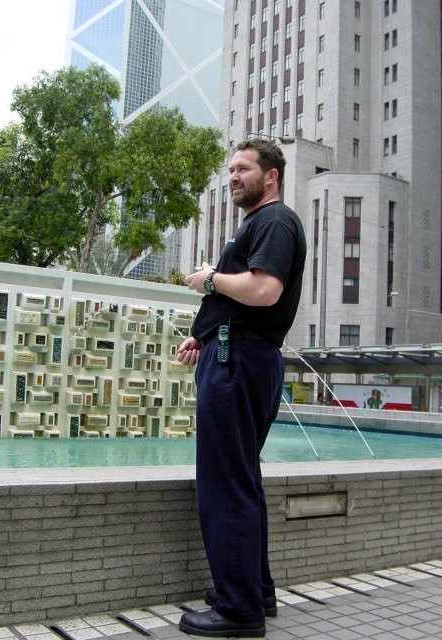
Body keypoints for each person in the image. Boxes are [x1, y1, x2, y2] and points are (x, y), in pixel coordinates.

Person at [177, 138, 306, 638]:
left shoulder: (274, 220)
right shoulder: (259, 223)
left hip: (239, 362)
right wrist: (202, 336)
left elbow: (263, 289)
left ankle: (238, 610)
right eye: (230, 169)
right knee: (242, 479)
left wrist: (211, 279)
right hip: (237, 355)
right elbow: (243, 300)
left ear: (270, 175)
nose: (232, 176)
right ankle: (254, 589)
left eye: (242, 168)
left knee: (225, 482)